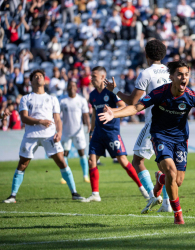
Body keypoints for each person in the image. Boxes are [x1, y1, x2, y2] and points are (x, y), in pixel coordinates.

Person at [98, 60, 195, 224]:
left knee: (178, 180)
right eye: (180, 74)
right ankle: (178, 214)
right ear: (171, 77)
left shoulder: (191, 96)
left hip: (180, 140)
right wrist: (114, 114)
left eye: (186, 75)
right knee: (171, 172)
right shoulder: (159, 92)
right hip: (160, 136)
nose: (184, 78)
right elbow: (137, 107)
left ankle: (161, 180)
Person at [105, 39, 171, 213]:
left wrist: (114, 90)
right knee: (163, 163)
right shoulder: (171, 72)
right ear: (163, 54)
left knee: (137, 160)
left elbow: (133, 103)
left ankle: (153, 195)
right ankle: (167, 203)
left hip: (154, 122)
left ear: (147, 55)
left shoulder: (146, 73)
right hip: (172, 121)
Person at [3, 69, 84, 203]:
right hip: (31, 135)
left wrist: (59, 132)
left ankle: (74, 193)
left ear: (44, 80)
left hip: (49, 135)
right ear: (31, 81)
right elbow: (24, 118)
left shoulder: (52, 98)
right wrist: (40, 121)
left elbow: (57, 119)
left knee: (62, 162)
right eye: (36, 76)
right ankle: (12, 195)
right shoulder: (26, 98)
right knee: (22, 164)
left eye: (41, 76)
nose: (39, 78)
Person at [81, 66, 149, 203]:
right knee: (91, 161)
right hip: (98, 133)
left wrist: (112, 110)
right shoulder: (93, 95)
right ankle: (95, 194)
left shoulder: (111, 92)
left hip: (112, 132)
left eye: (94, 76)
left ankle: (143, 188)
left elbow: (124, 106)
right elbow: (94, 113)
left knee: (123, 161)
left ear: (102, 77)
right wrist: (92, 130)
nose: (91, 79)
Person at [59, 79, 91, 185]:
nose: (72, 87)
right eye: (70, 86)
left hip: (78, 131)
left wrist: (89, 124)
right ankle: (64, 176)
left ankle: (85, 176)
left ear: (76, 88)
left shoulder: (81, 100)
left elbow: (86, 114)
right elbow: (57, 116)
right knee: (64, 154)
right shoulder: (62, 101)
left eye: (74, 85)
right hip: (66, 132)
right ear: (67, 87)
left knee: (82, 153)